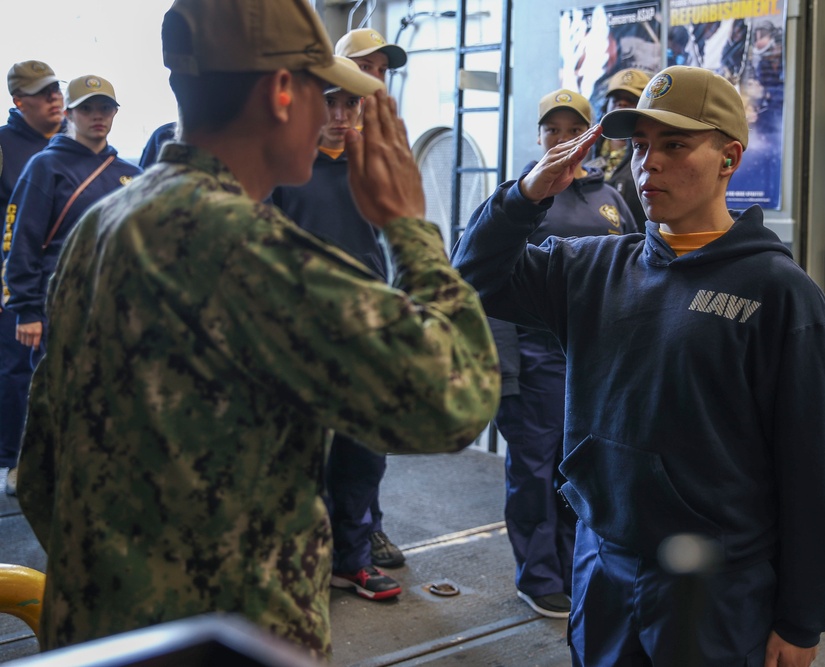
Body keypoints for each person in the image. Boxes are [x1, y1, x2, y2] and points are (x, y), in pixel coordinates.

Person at [17, 0, 499, 656]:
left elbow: (40, 473)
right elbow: (456, 398)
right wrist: (407, 225)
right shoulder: (247, 250)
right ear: (280, 91)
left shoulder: (103, 226)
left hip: (102, 637)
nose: (338, 117)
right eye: (320, 92)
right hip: (229, 644)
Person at [453, 66, 825, 666]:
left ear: (729, 158)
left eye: (675, 145)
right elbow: (470, 279)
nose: (649, 164)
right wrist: (525, 194)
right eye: (640, 147)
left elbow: (815, 467)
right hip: (603, 565)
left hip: (716, 587)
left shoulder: (778, 294)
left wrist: (803, 619)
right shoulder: (592, 269)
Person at [493, 88, 635, 620]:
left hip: (594, 363)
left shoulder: (611, 198)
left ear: (589, 133)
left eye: (572, 129)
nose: (562, 138)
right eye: (551, 129)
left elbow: (634, 272)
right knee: (533, 471)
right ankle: (538, 575)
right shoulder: (523, 196)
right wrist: (505, 373)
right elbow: (489, 280)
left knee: (582, 471)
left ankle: (576, 567)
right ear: (539, 137)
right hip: (536, 364)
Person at [270, 56, 401, 600]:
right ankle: (299, 564)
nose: (342, 114)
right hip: (299, 338)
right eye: (331, 102)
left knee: (361, 454)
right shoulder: (284, 168)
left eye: (350, 104)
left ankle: (353, 558)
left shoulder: (372, 166)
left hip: (365, 334)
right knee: (298, 457)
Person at [326, 24, 410, 574]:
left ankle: (364, 534)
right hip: (308, 325)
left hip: (367, 320)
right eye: (365, 68)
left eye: (381, 70)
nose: (375, 79)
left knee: (364, 442)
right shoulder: (295, 159)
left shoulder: (381, 151)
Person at [5, 74, 141, 367]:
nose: (97, 116)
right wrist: (27, 311)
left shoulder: (133, 175)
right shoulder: (46, 166)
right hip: (59, 305)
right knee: (55, 397)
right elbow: (22, 240)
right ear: (68, 114)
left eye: (105, 108)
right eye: (86, 108)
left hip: (119, 306)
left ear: (115, 112)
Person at [0, 60, 65, 496]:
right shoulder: (5, 145)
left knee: (59, 372)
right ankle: (13, 461)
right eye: (43, 93)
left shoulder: (73, 145)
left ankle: (57, 456)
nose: (54, 98)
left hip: (63, 285)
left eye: (57, 90)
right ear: (18, 101)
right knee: (17, 372)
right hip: (14, 283)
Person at [586, 68, 650, 225]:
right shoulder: (587, 149)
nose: (622, 103)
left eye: (630, 99)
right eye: (616, 99)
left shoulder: (650, 156)